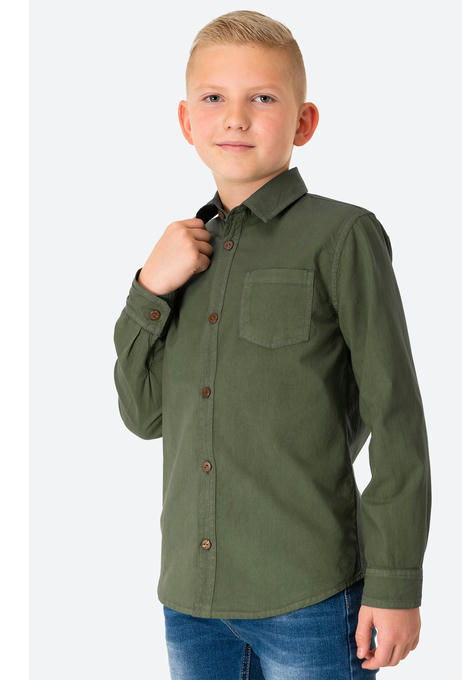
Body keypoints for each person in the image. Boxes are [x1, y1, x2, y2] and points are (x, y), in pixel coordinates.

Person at [113, 9, 432, 679]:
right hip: (190, 602)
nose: (235, 118)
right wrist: (149, 287)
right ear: (186, 121)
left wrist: (396, 582)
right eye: (213, 98)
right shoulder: (182, 255)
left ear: (303, 122)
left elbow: (397, 416)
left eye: (262, 98)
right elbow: (143, 415)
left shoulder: (342, 236)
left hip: (310, 598)